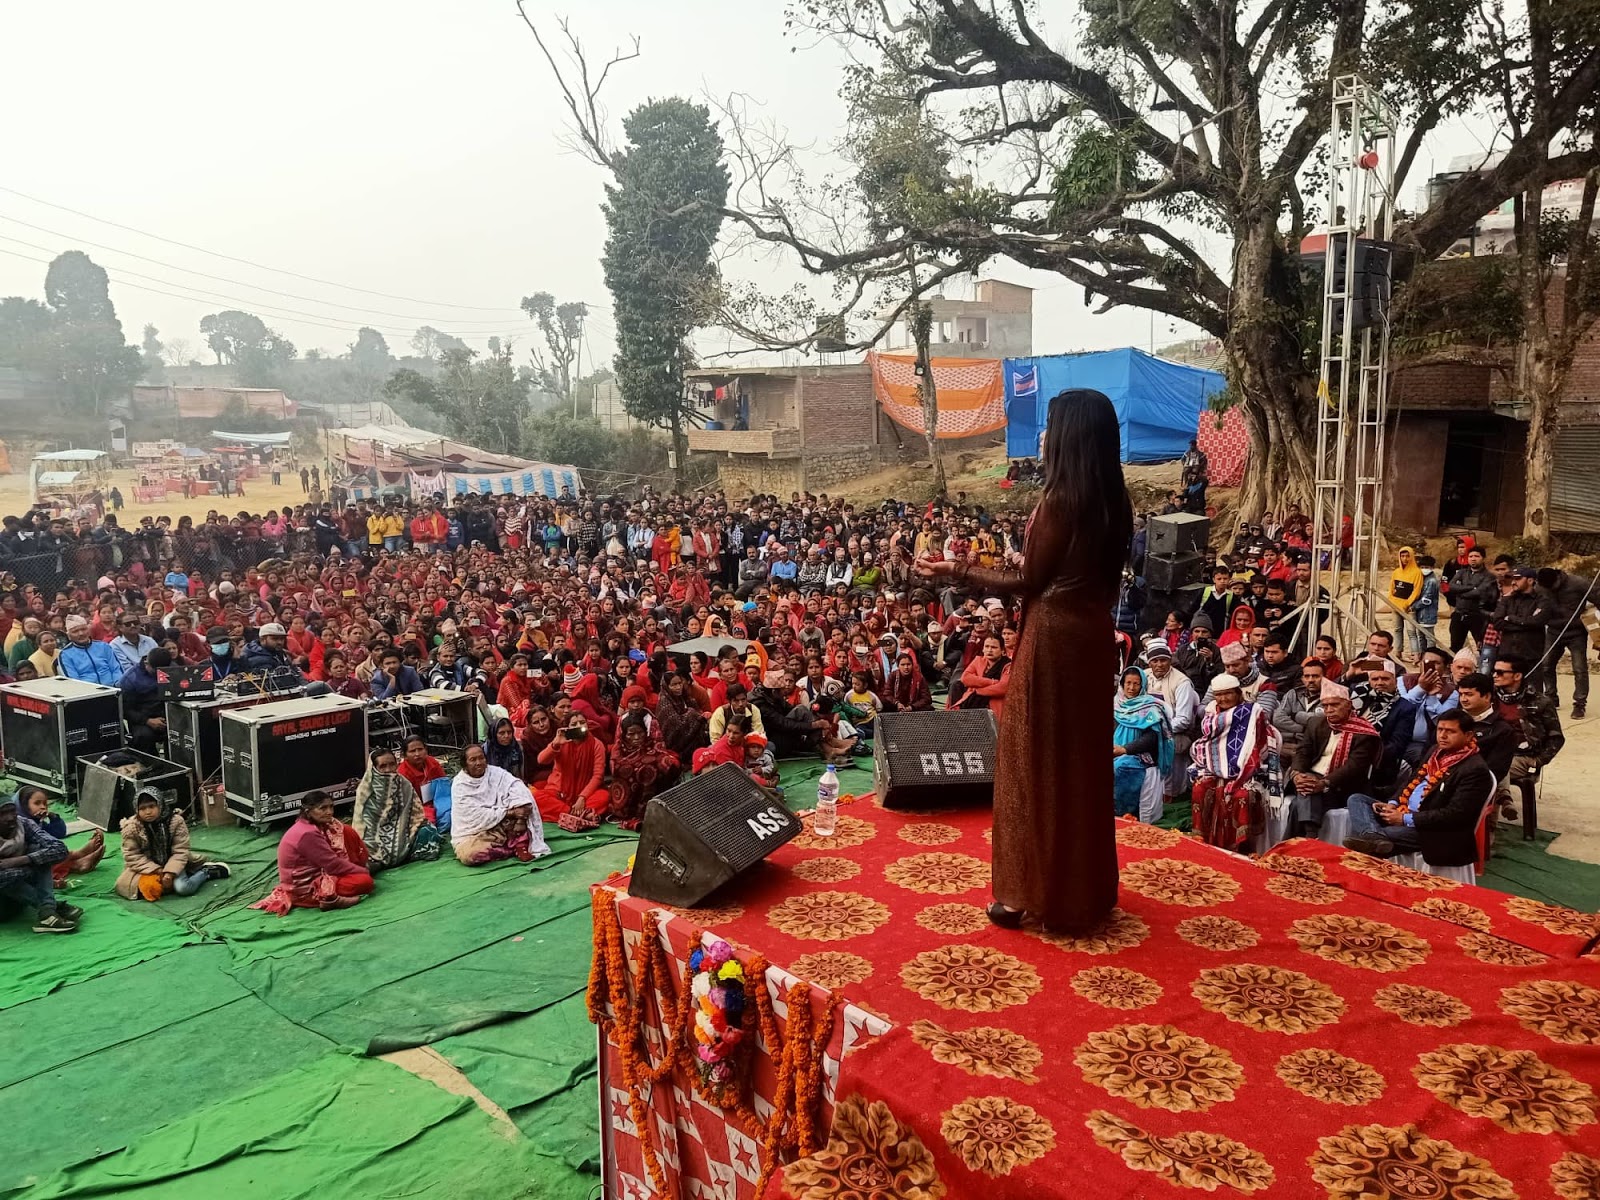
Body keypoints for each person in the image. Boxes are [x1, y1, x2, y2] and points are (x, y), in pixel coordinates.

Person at [916, 388, 1131, 933]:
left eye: (1051, 425)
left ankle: (1026, 892)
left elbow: (1028, 581)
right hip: (1091, 637)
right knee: (1080, 764)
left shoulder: (1060, 501)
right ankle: (1082, 891)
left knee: (1031, 760)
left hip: (1052, 640)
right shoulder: (1115, 501)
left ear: (1069, 437)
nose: (1044, 435)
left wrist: (956, 570)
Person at [1342, 709, 1496, 865]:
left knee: (1380, 834)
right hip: (1403, 812)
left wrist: (1404, 819)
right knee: (1357, 799)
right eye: (1440, 730)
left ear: (1468, 735)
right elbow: (1411, 780)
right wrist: (1393, 803)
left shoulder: (1474, 769)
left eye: (1450, 731)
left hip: (1432, 830)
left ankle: (1372, 837)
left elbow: (1455, 815)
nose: (1442, 736)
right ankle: (1373, 835)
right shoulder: (1435, 751)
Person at [1189, 672, 1281, 852]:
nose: (1223, 699)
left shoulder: (1251, 712)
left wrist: (1239, 762)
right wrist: (1214, 761)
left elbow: (1259, 742)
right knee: (1200, 788)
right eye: (1219, 694)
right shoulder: (1211, 714)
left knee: (1242, 796)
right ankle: (1204, 840)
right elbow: (1208, 742)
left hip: (1249, 771)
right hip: (1214, 769)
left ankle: (1241, 846)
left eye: (1228, 693)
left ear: (1238, 693)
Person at [251, 792, 374, 913]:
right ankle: (328, 899)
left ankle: (358, 869)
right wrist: (362, 871)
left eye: (331, 807)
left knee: (346, 830)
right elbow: (333, 865)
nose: (329, 812)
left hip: (320, 870)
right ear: (308, 811)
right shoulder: (307, 833)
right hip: (304, 890)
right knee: (365, 882)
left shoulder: (315, 825)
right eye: (323, 808)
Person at [1289, 681, 1383, 831]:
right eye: (1325, 706)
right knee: (1307, 787)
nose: (1329, 710)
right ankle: (1309, 837)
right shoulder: (1316, 723)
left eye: (1334, 705)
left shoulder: (1364, 732)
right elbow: (1303, 752)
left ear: (1349, 705)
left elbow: (1354, 767)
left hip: (1342, 784)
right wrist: (1297, 775)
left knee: (1298, 802)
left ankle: (1306, 836)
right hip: (1311, 777)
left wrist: (1324, 783)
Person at [114, 791, 229, 901]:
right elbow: (132, 856)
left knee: (183, 888)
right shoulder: (131, 828)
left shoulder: (175, 821)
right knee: (143, 889)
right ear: (136, 810)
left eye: (152, 806)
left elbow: (180, 851)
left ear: (160, 805)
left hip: (174, 862)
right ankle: (185, 875)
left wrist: (170, 873)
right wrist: (157, 870)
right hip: (146, 867)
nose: (148, 812)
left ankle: (206, 872)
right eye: (142, 808)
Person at [1492, 654, 1564, 827]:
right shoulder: (1489, 697)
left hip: (1523, 756)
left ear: (1517, 675)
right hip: (1492, 751)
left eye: (1500, 672)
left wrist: (1539, 760)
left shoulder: (1540, 701)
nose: (1494, 675)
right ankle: (1504, 800)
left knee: (1490, 771)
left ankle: (1489, 826)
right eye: (1494, 671)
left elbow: (1556, 737)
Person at [452, 743, 548, 864]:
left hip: (502, 825)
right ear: (465, 764)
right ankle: (512, 848)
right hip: (473, 833)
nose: (479, 763)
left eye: (481, 758)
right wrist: (510, 812)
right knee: (470, 856)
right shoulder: (460, 785)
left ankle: (516, 842)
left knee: (524, 805)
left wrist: (520, 819)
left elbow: (519, 789)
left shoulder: (497, 773)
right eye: (473, 760)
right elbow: (474, 815)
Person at [0, 794, 80, 933]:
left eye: (12, 811)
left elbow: (59, 849)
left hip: (18, 899)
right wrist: (33, 866)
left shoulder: (23, 824)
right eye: (2, 814)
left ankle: (47, 912)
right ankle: (49, 908)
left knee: (38, 850)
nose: (10, 817)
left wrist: (22, 860)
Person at [352, 748, 441, 870]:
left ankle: (396, 857)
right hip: (375, 837)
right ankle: (380, 861)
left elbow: (416, 815)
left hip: (402, 834)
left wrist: (403, 833)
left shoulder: (404, 783)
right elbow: (363, 826)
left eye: (392, 764)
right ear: (374, 768)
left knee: (428, 831)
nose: (388, 769)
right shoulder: (365, 790)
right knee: (363, 855)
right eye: (383, 766)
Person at [1112, 667, 1172, 824]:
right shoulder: (1116, 705)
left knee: (1120, 767)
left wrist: (1125, 749)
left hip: (1141, 755)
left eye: (1136, 684)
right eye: (1128, 683)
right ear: (1122, 684)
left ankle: (1125, 813)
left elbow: (1151, 738)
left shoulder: (1151, 708)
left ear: (1143, 685)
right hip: (1116, 750)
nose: (1131, 688)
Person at [533, 714, 610, 830]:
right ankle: (579, 815)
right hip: (560, 792)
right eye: (574, 724)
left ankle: (570, 815)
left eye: (582, 723)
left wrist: (582, 797)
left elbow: (598, 776)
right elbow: (541, 760)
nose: (579, 726)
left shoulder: (596, 744)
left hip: (585, 793)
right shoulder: (561, 742)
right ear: (567, 728)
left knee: (604, 796)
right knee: (537, 797)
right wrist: (555, 744)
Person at [1536, 565, 1594, 718]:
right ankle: (1551, 697)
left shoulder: (1578, 583)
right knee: (1546, 665)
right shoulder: (1540, 587)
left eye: (1552, 586)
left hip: (1576, 633)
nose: (1550, 589)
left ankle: (1580, 704)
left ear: (1557, 578)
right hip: (1553, 632)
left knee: (1579, 668)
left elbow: (1598, 599)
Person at [1143, 643, 1198, 802]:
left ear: (1170, 661)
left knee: (1171, 781)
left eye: (1163, 660)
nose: (1159, 664)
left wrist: (1157, 730)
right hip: (1146, 729)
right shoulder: (1143, 676)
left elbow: (1184, 720)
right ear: (1149, 663)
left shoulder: (1181, 682)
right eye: (1155, 661)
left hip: (1174, 732)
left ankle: (1172, 796)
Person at [19, 785, 104, 884]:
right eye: (37, 803)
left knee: (58, 850)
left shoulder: (39, 822)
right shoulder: (18, 825)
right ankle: (76, 861)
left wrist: (53, 817)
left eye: (45, 804)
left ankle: (78, 860)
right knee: (47, 856)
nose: (42, 807)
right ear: (24, 806)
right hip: (28, 864)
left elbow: (59, 833)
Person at [610, 713, 681, 829]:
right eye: (631, 734)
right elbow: (617, 768)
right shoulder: (619, 750)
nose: (636, 737)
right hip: (629, 799)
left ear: (645, 732)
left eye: (640, 733)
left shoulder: (651, 744)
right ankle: (637, 813)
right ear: (624, 735)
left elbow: (661, 755)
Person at [1488, 568, 1550, 688]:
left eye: (1518, 579)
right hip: (1507, 655)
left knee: (1533, 691)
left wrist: (1511, 618)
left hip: (1531, 654)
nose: (1513, 582)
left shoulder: (1542, 600)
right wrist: (1525, 623)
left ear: (1530, 580)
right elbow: (1498, 623)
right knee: (1504, 689)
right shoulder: (1506, 599)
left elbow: (1538, 621)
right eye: (1513, 579)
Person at [119, 646, 172, 754]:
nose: (159, 674)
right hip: (143, 718)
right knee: (143, 737)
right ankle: (151, 762)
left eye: (162, 671)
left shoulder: (172, 668)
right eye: (156, 671)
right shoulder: (130, 678)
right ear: (147, 663)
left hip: (170, 714)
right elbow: (125, 710)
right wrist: (147, 721)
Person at [58, 614, 122, 686]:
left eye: (83, 629)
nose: (81, 633)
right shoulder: (65, 654)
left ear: (88, 630)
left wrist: (117, 685)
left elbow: (116, 669)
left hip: (114, 688)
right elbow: (73, 681)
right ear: (69, 636)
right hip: (88, 691)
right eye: (75, 631)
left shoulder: (103, 646)